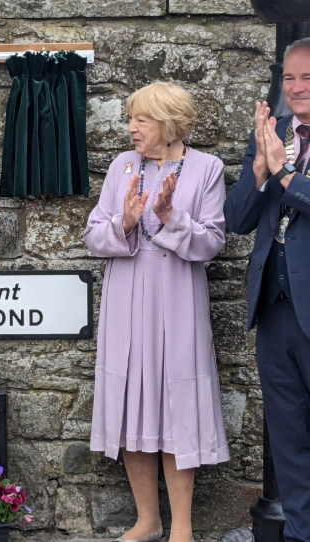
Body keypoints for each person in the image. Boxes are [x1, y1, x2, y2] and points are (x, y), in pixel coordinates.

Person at [84, 82, 228, 542]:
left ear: (168, 122)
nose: (131, 128)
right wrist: (125, 221)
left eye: (141, 119)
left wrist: (170, 215)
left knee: (176, 406)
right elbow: (93, 236)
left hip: (178, 297)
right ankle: (148, 520)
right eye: (131, 118)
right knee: (132, 404)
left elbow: (211, 243)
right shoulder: (122, 166)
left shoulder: (207, 168)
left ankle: (181, 527)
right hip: (127, 296)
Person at [224, 38, 310, 541]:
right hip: (275, 312)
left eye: (308, 78)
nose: (297, 89)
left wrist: (281, 170)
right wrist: (258, 171)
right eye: (290, 78)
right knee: (288, 436)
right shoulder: (271, 134)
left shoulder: (282, 149)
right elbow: (236, 221)